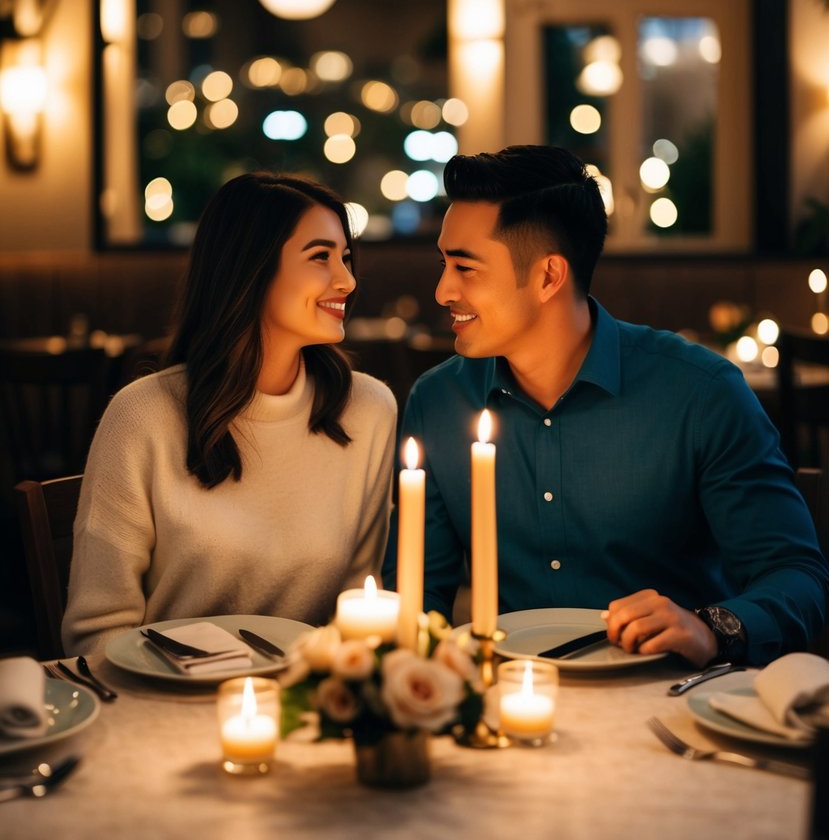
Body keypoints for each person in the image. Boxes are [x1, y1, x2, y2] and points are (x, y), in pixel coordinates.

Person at [384, 145, 829, 667]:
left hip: (669, 699)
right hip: (510, 699)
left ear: (550, 276)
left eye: (465, 268)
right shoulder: (439, 401)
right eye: (444, 263)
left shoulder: (700, 393)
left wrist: (710, 628)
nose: (442, 290)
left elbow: (797, 577)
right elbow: (417, 597)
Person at [63, 172, 397, 655]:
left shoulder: (368, 412)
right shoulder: (142, 416)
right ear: (250, 268)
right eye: (320, 257)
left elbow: (357, 607)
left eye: (345, 258)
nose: (347, 280)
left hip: (300, 703)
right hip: (163, 702)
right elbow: (96, 632)